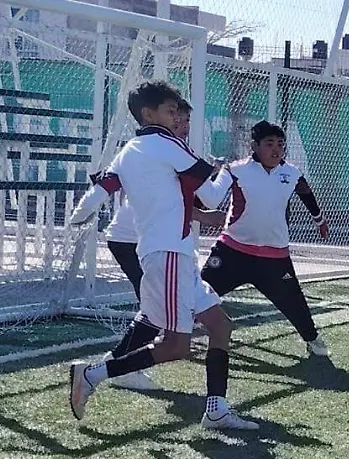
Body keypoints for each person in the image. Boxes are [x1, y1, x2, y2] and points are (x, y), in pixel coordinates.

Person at [66, 81, 257, 430]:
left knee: (220, 325)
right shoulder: (167, 144)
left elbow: (99, 192)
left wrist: (79, 215)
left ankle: (216, 409)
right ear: (148, 114)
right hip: (168, 255)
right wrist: (230, 172)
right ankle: (93, 374)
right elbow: (212, 198)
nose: (178, 118)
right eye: (172, 112)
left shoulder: (130, 150)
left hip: (172, 256)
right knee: (175, 346)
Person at [85, 99, 198, 391]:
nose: (182, 125)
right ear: (155, 117)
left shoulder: (172, 152)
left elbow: (183, 203)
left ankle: (116, 366)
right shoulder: (155, 151)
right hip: (134, 241)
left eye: (185, 121)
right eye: (176, 118)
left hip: (163, 246)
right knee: (152, 317)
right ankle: (114, 368)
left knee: (158, 315)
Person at [194, 120, 330, 357]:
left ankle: (312, 339)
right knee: (197, 292)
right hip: (232, 252)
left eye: (280, 144)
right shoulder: (235, 169)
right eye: (269, 144)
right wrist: (193, 201)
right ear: (254, 146)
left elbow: (307, 194)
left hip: (274, 258)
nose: (276, 149)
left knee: (295, 304)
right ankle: (171, 331)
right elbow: (210, 198)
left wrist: (319, 220)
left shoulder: (292, 173)